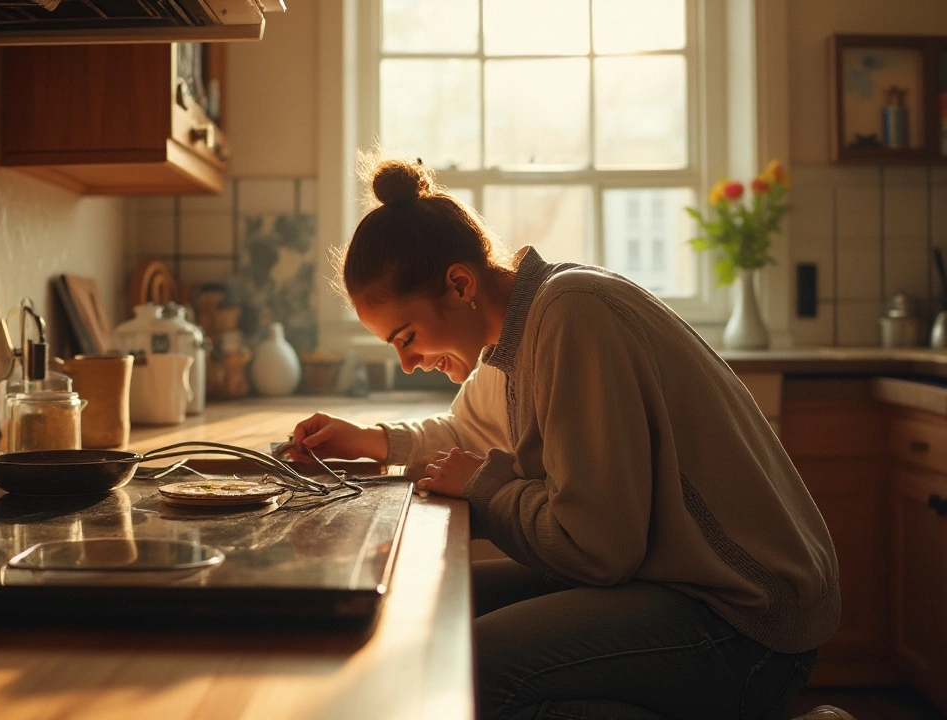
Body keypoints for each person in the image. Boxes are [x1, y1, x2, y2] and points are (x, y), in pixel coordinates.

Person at [289, 156, 841, 720]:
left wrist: (486, 487)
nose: (406, 363)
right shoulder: (521, 330)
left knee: (474, 668)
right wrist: (367, 441)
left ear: (459, 284)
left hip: (745, 619)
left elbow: (597, 548)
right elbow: (464, 434)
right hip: (672, 579)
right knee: (435, 613)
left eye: (406, 337)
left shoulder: (570, 315)